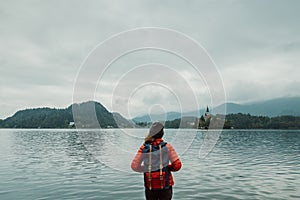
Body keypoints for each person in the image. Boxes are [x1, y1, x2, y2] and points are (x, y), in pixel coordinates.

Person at [131, 122, 182, 200]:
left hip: (150, 186)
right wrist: (168, 167)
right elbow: (177, 165)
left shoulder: (144, 147)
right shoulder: (167, 147)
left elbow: (134, 166)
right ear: (162, 134)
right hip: (165, 186)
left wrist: (146, 168)